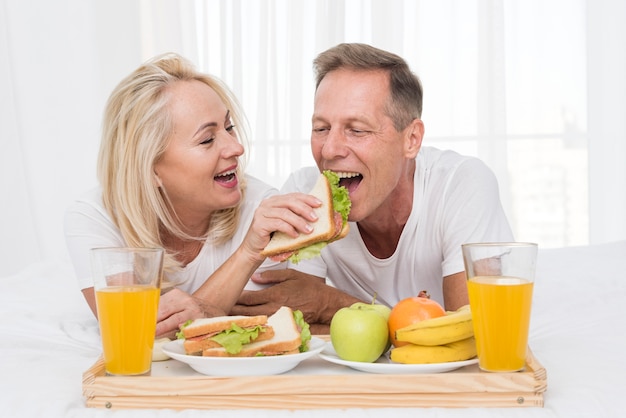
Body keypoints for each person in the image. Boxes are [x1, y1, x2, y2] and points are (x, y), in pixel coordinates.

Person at [233, 43, 514, 333]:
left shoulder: (462, 185)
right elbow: (300, 328)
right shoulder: (304, 192)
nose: (329, 149)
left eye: (357, 129)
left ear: (412, 139)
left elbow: (477, 332)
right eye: (321, 128)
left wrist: (333, 304)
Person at [64, 53, 320, 338]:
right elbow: (133, 335)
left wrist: (250, 251)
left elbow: (237, 333)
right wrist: (246, 253)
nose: (236, 148)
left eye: (229, 127)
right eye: (207, 139)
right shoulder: (95, 217)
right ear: (150, 169)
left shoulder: (262, 211)